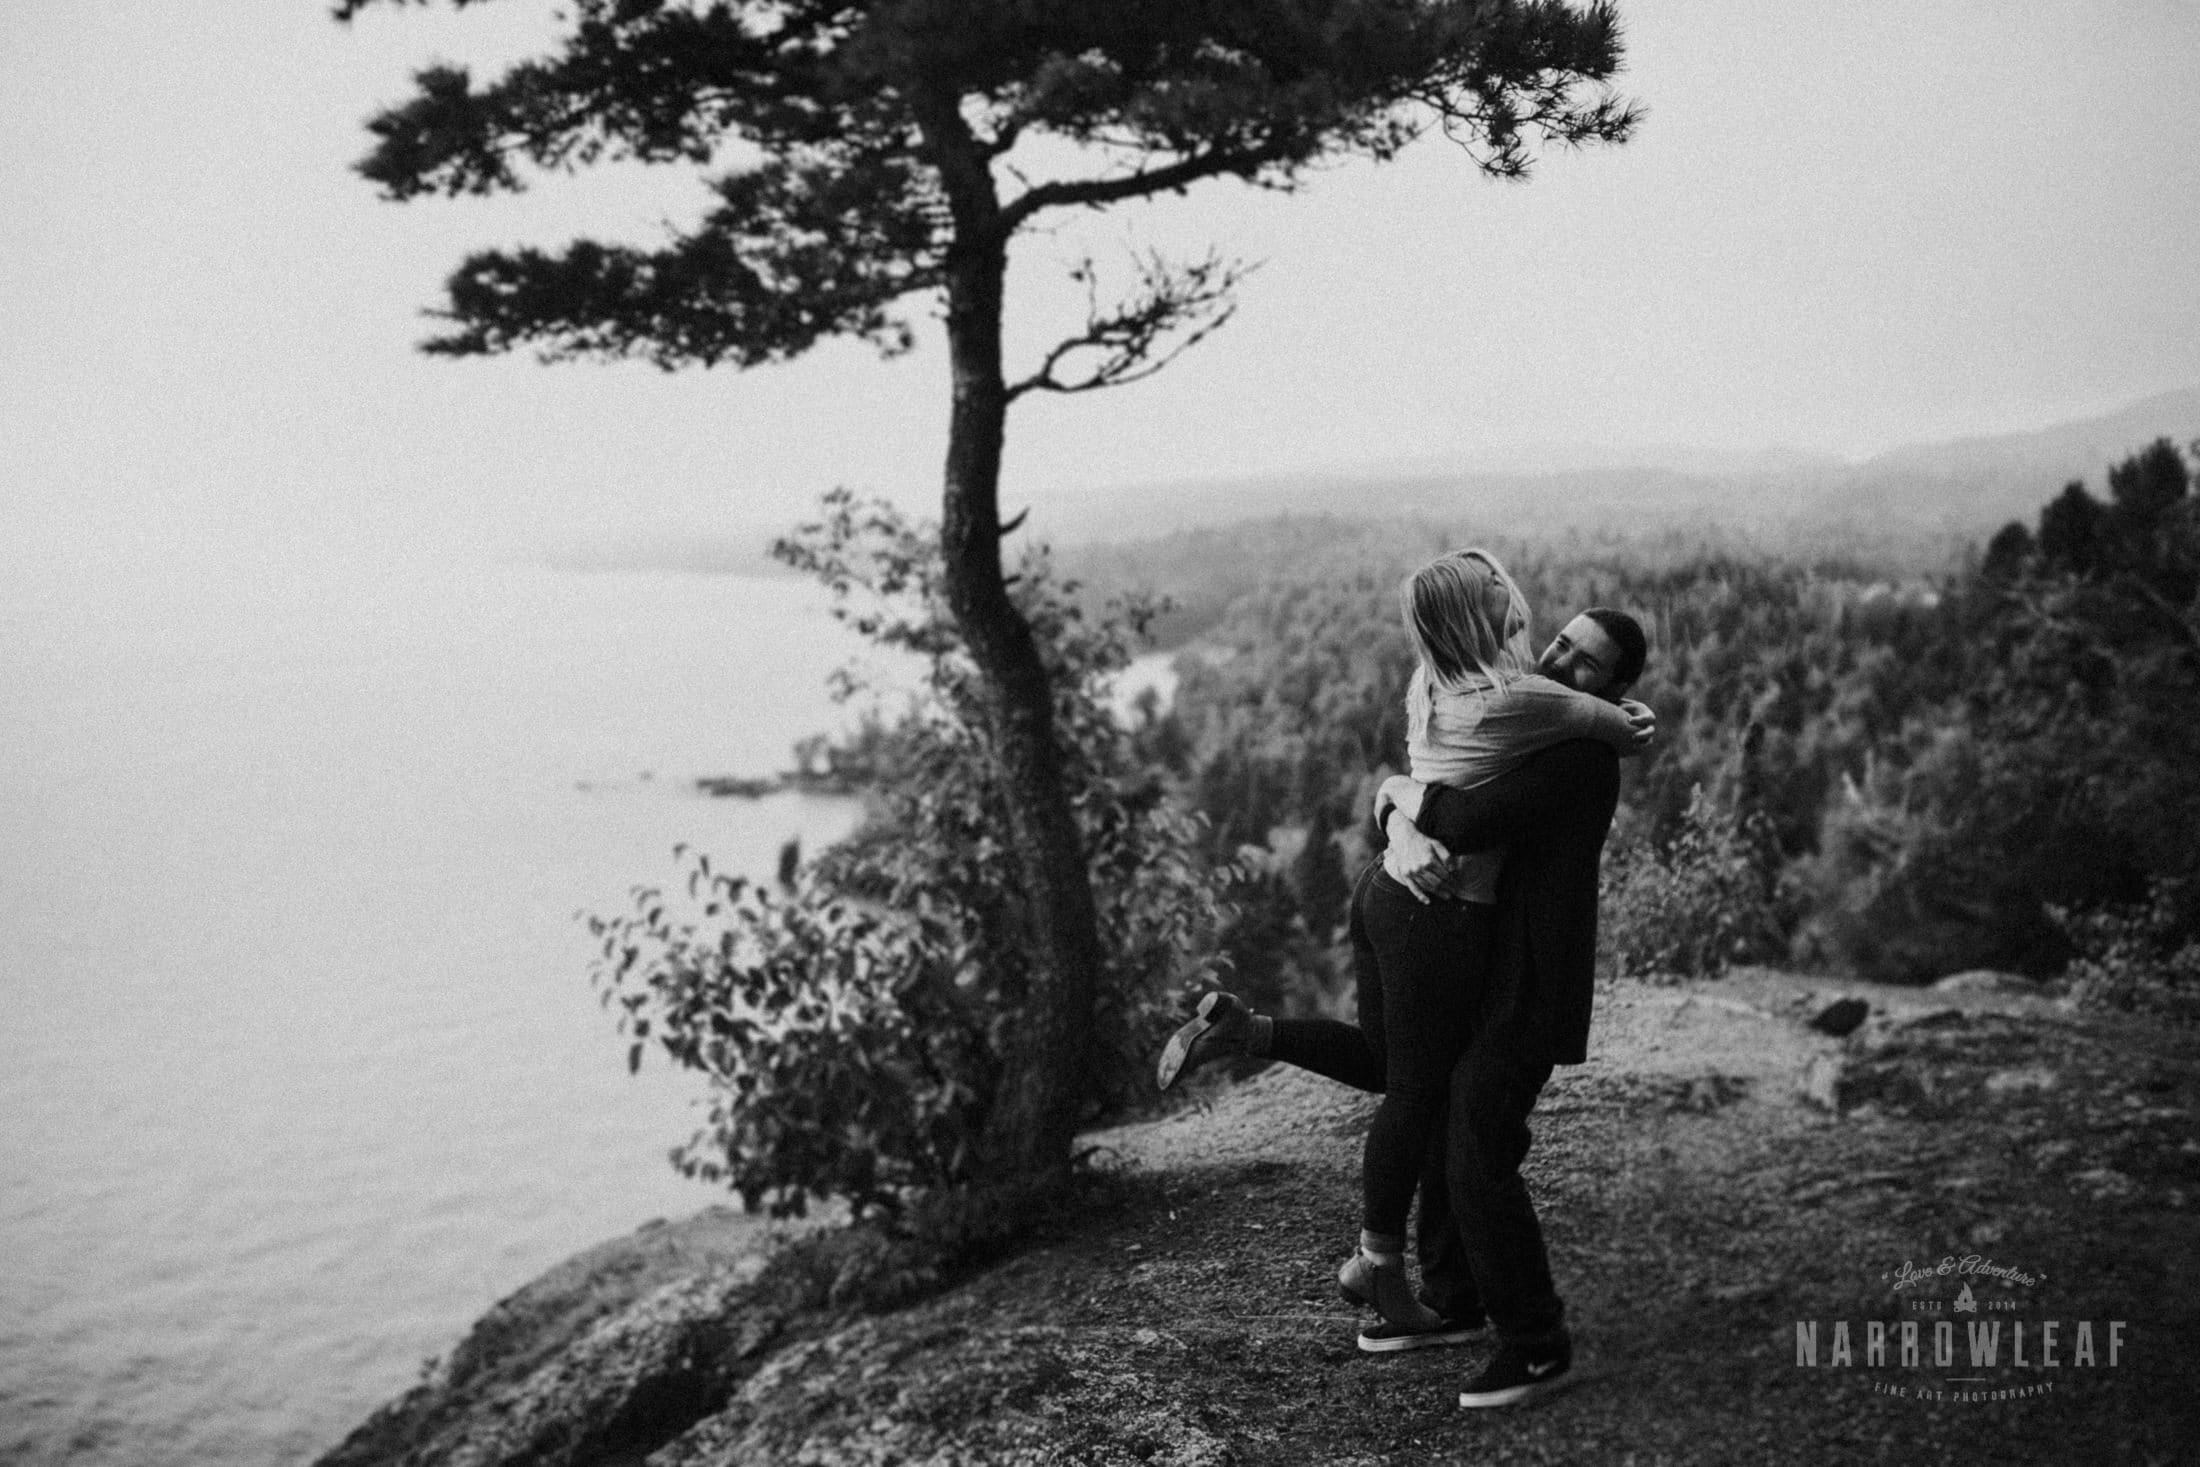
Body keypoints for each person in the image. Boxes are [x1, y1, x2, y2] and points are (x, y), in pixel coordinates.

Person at [1159, 597, 1649, 1406]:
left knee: (1474, 1151)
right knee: (1429, 1111)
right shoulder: (1526, 725)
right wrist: (1396, 812)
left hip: (1528, 983)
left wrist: (1400, 798)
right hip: (1484, 965)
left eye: (1585, 663)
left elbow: (1457, 810)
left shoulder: (1577, 757)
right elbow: (1425, 797)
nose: (1559, 662)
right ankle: (1455, 1302)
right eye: (1561, 641)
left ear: (1612, 685)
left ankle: (1537, 1344)